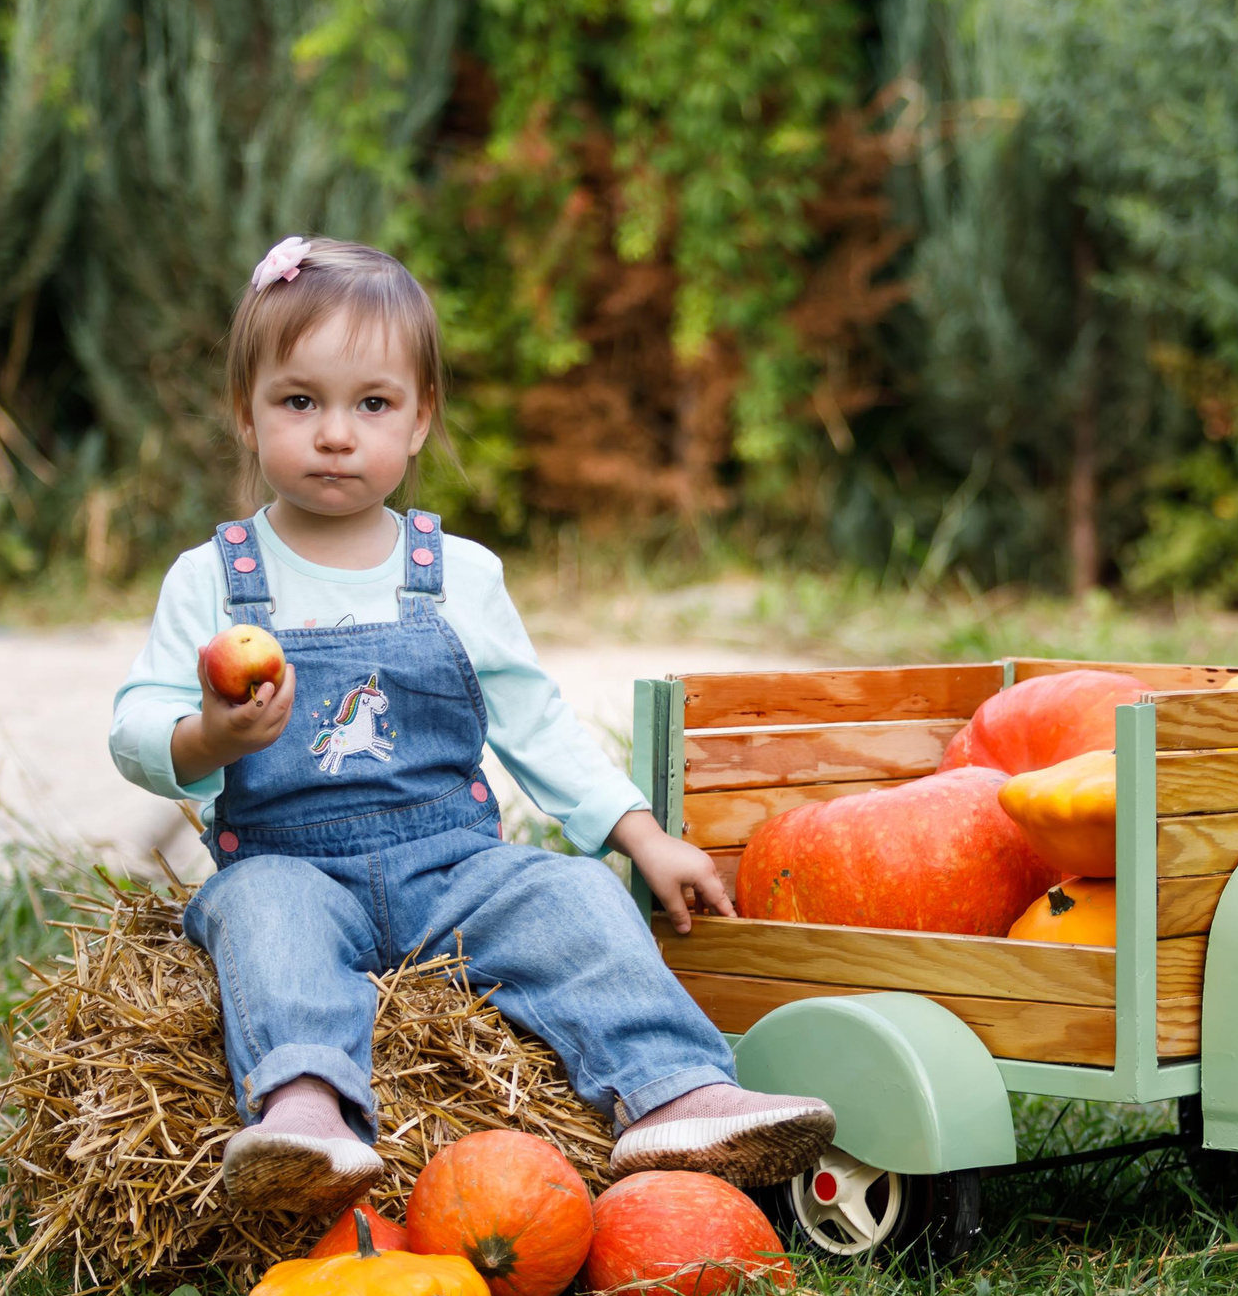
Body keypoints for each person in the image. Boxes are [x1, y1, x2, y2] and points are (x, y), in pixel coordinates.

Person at [108, 235, 833, 1214]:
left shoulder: (457, 574)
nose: (334, 433)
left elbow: (535, 722)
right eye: (298, 402)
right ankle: (307, 1110)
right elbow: (136, 723)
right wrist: (209, 739)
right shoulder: (216, 577)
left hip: (452, 867)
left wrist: (638, 834)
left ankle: (675, 1091)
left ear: (418, 423)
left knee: (572, 898)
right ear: (245, 414)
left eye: (372, 404)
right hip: (289, 862)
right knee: (260, 920)